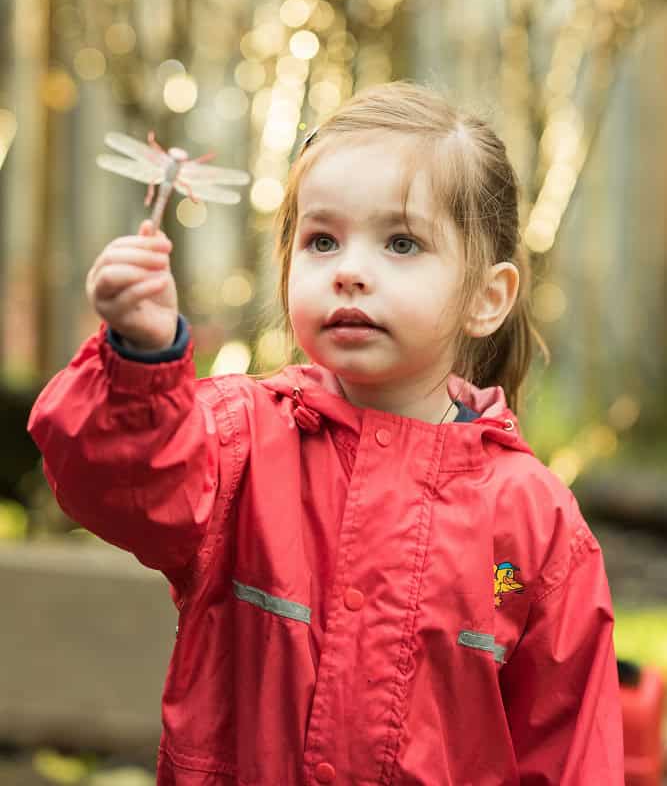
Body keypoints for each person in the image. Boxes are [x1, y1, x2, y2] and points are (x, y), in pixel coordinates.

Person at [28, 81, 623, 785]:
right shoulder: (233, 441)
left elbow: (571, 750)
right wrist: (141, 359)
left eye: (401, 243)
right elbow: (117, 484)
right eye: (321, 241)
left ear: (486, 297)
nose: (349, 272)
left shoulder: (533, 520)